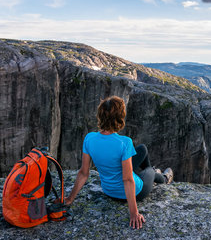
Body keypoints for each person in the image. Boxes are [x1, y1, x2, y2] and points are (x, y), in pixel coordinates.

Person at [66, 96, 173, 229]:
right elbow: (127, 179)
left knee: (142, 149)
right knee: (150, 170)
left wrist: (69, 199)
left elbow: (83, 173)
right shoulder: (124, 142)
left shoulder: (89, 138)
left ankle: (148, 174)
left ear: (100, 115)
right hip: (137, 192)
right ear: (120, 117)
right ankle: (162, 178)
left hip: (108, 190)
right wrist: (134, 213)